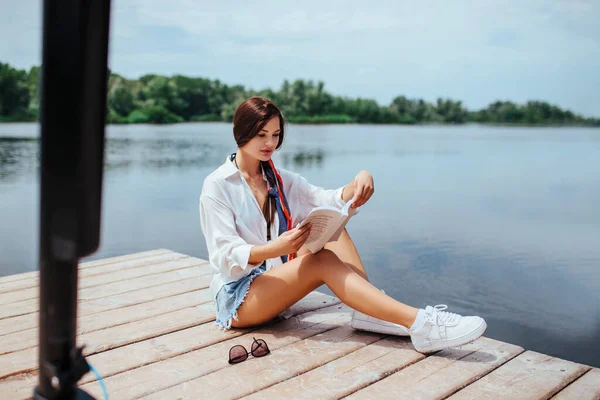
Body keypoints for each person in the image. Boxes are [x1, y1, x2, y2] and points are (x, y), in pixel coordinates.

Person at [199, 96, 487, 354]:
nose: (270, 144)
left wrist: (358, 181)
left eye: (275, 135)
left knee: (334, 226)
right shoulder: (218, 185)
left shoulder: (279, 178)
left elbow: (326, 199)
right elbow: (224, 253)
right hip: (239, 298)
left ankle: (370, 313)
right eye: (262, 135)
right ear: (241, 133)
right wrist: (275, 247)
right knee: (321, 261)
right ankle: (421, 324)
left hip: (274, 281)